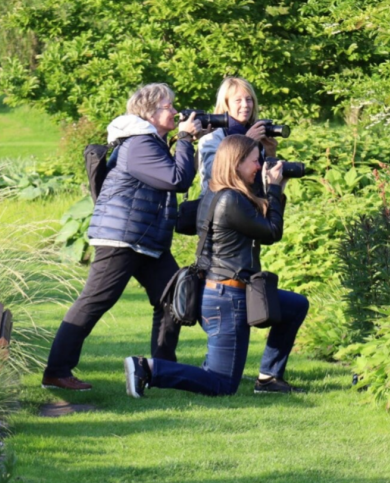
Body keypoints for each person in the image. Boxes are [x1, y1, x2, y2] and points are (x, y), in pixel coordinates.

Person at [42, 83, 207, 391]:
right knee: (94, 301)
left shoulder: (151, 142)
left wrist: (188, 141)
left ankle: (162, 372)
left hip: (146, 240)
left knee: (174, 298)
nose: (175, 111)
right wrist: (183, 138)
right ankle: (56, 371)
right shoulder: (138, 145)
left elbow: (176, 173)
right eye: (168, 106)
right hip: (122, 238)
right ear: (149, 113)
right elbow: (176, 179)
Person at [123, 134, 309, 397]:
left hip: (230, 290)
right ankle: (148, 369)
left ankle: (268, 378)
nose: (260, 166)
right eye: (256, 161)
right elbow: (271, 233)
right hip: (227, 298)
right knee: (222, 384)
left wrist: (277, 188)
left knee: (295, 305)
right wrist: (275, 189)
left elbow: (259, 229)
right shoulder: (230, 200)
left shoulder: (219, 192)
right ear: (237, 163)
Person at [198, 77, 277, 194]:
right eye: (238, 100)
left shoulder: (257, 133)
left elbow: (262, 179)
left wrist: (270, 155)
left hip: (255, 204)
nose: (245, 105)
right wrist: (247, 142)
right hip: (223, 205)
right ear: (226, 104)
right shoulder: (213, 137)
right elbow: (215, 174)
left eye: (249, 99)